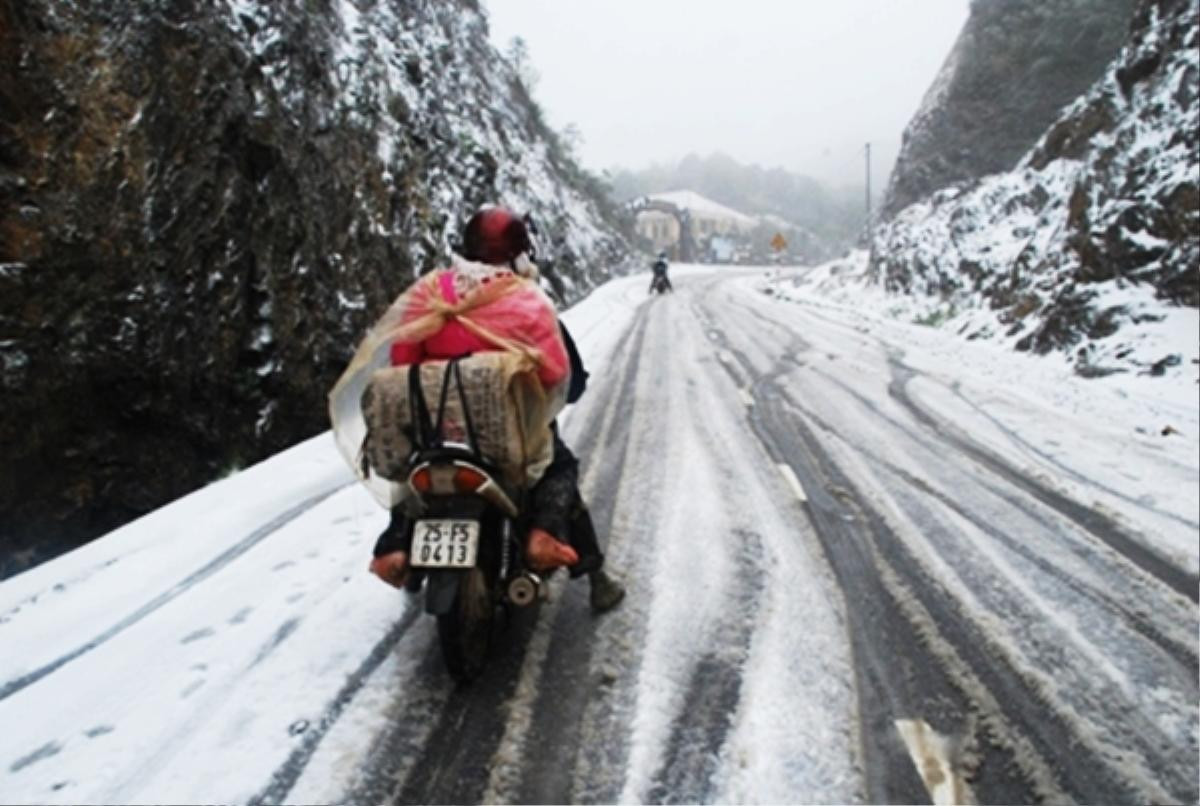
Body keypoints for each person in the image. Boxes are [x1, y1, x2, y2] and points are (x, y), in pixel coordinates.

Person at [368, 206, 625, 613]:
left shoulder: (429, 293)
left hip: (440, 431)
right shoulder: (526, 300)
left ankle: (396, 547)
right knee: (558, 468)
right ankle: (566, 553)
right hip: (508, 435)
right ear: (520, 255)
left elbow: (402, 361)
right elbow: (559, 375)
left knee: (414, 476)